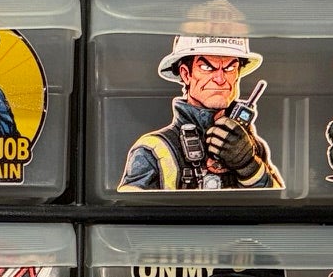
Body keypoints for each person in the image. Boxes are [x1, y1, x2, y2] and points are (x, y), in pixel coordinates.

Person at [119, 33, 279, 191]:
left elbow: (277, 202)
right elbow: (129, 207)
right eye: (206, 67)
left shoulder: (253, 147)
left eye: (230, 68)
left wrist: (249, 166)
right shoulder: (151, 151)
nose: (220, 79)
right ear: (186, 74)